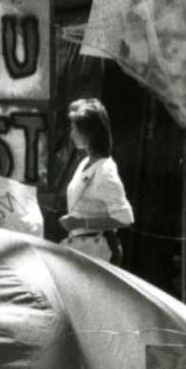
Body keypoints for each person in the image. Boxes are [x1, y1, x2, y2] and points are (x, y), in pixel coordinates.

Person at [58, 98, 134, 265]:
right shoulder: (85, 163)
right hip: (83, 247)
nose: (72, 134)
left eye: (75, 129)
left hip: (99, 249)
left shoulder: (105, 170)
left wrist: (80, 223)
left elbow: (125, 217)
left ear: (88, 133)